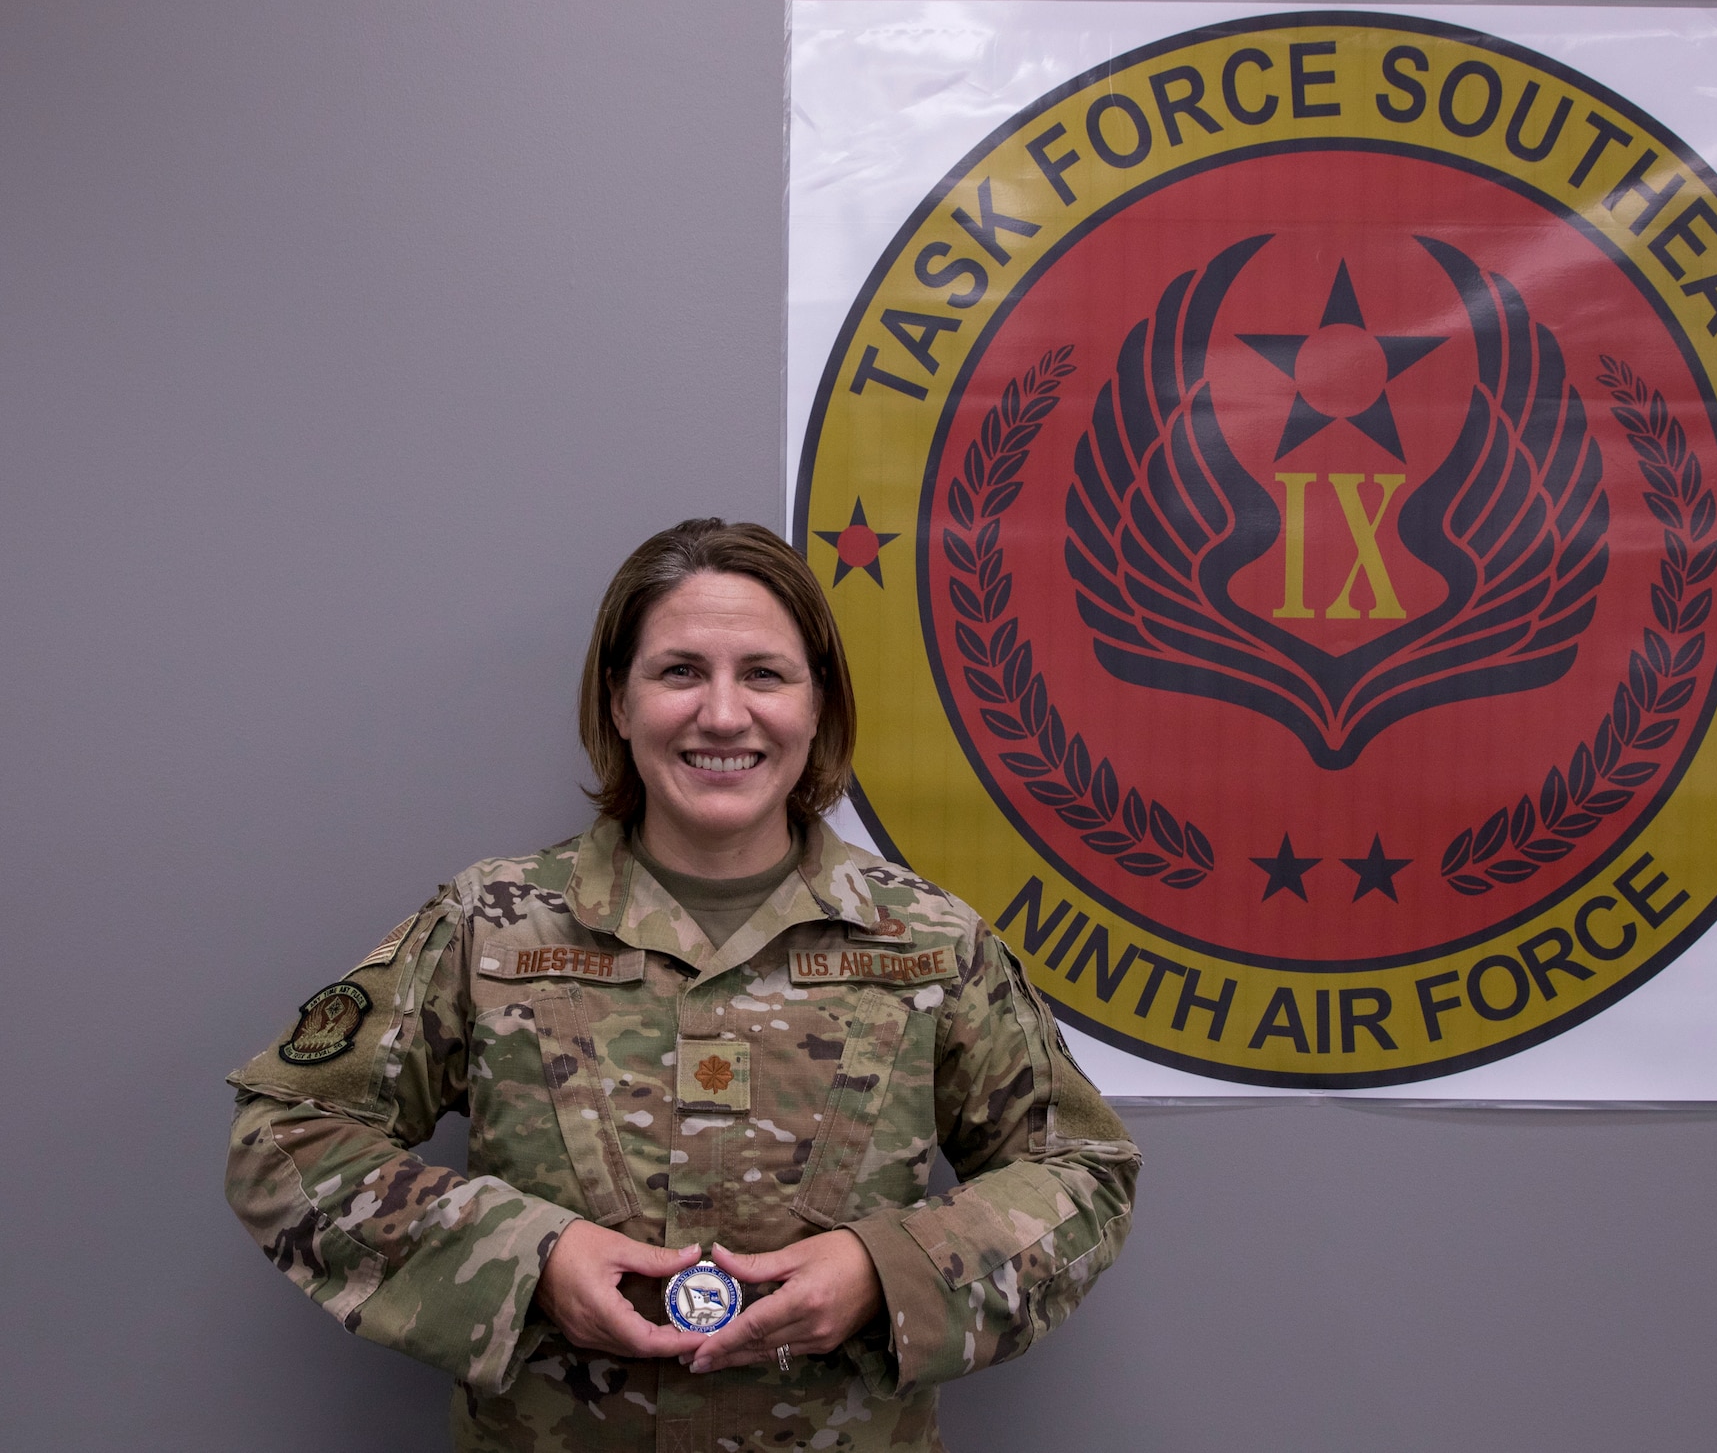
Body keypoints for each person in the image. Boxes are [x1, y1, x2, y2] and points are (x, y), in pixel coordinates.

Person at [225, 519, 1141, 1453]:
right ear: (618, 702)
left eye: (765, 674)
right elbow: (285, 1138)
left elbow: (1084, 1173)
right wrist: (525, 1258)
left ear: (818, 704)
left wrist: (888, 1270)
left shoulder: (929, 943)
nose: (724, 714)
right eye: (679, 672)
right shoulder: (493, 924)